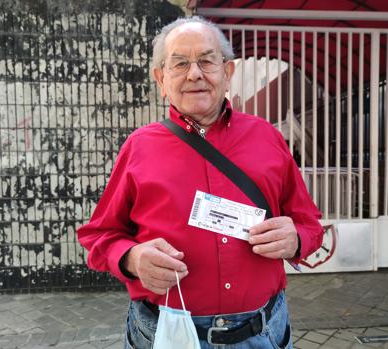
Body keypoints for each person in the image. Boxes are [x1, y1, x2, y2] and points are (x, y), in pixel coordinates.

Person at [78, 16, 323, 349]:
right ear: (161, 79)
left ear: (228, 73)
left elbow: (309, 224)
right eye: (180, 64)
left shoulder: (268, 138)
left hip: (262, 332)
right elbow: (99, 234)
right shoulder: (138, 147)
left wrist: (295, 239)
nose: (194, 74)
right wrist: (131, 258)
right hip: (165, 332)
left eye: (207, 61)